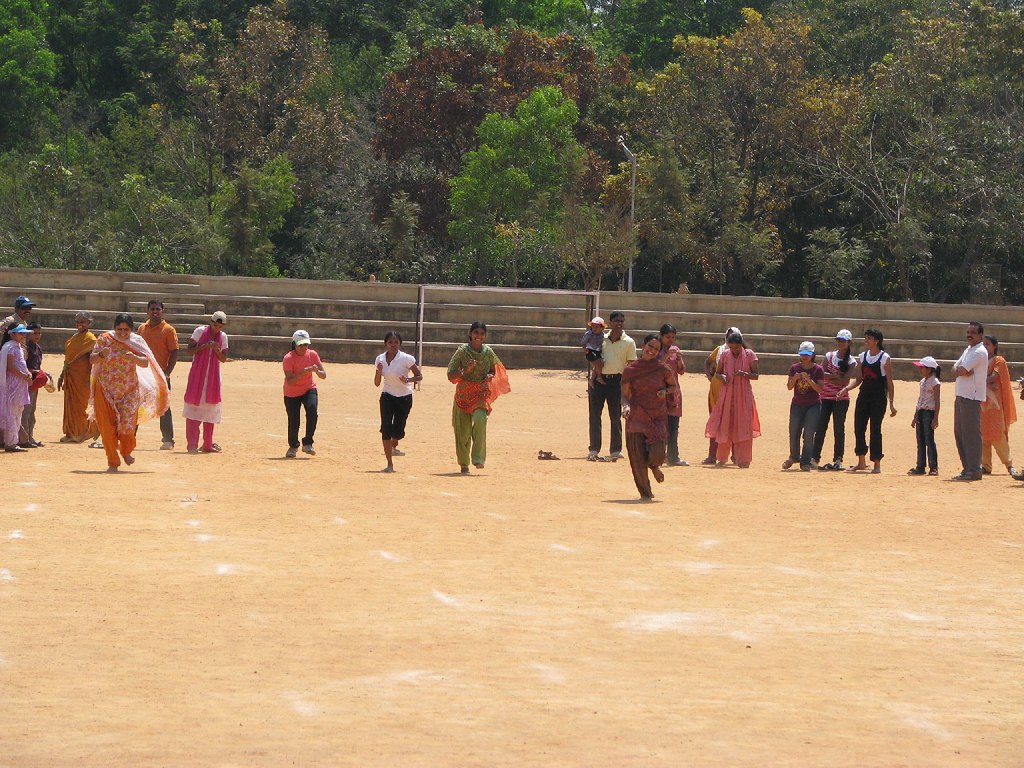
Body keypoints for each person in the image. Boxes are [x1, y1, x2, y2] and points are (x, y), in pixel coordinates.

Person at [88, 314, 169, 472]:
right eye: (119, 329)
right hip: (105, 389)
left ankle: (126, 451)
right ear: (114, 327)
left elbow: (146, 362)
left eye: (126, 330)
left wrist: (134, 358)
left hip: (129, 391)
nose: (122, 333)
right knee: (107, 428)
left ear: (131, 329)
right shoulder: (104, 339)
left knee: (127, 427)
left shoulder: (136, 341)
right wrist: (100, 355)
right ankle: (112, 461)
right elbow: (92, 360)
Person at [446, 322, 510, 473]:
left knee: (481, 419)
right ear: (470, 334)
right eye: (476, 333)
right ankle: (464, 464)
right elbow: (450, 373)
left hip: (481, 393)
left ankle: (478, 458)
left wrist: (490, 375)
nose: (478, 336)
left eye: (482, 334)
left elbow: (494, 369)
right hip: (463, 394)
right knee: (463, 432)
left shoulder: (488, 352)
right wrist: (465, 370)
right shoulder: (462, 352)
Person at [622, 334, 677, 499]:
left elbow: (673, 386)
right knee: (637, 457)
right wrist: (625, 406)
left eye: (656, 349)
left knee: (658, 450)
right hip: (637, 415)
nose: (652, 351)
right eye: (650, 347)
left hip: (657, 415)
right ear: (643, 346)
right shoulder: (630, 370)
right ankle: (645, 493)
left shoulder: (663, 369)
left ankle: (654, 466)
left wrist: (664, 392)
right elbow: (624, 395)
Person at [840, 329, 897, 474]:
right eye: (866, 338)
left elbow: (889, 382)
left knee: (875, 429)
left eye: (869, 338)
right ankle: (861, 462)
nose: (866, 341)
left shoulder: (885, 358)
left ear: (877, 341)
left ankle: (876, 463)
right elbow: (859, 379)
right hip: (864, 395)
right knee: (859, 426)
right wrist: (846, 389)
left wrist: (891, 403)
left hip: (878, 396)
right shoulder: (863, 356)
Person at [704, 330, 760, 467]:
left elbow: (756, 375)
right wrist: (721, 376)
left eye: (737, 347)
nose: (734, 350)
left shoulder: (750, 355)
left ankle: (743, 459)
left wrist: (744, 374)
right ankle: (722, 457)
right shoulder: (724, 355)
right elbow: (718, 373)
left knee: (743, 424)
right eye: (732, 347)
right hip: (727, 393)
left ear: (741, 345)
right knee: (725, 424)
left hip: (743, 394)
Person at [587, 311, 636, 461]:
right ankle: (594, 449)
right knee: (594, 415)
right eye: (616, 320)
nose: (619, 323)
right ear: (610, 322)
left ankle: (615, 450)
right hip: (599, 381)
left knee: (615, 415)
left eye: (621, 321)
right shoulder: (601, 338)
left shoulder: (629, 342)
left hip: (617, 381)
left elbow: (631, 365)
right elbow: (591, 354)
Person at [183, 310, 229, 454]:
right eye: (215, 325)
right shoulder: (200, 331)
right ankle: (192, 444)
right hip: (198, 375)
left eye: (220, 327)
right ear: (211, 322)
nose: (217, 329)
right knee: (193, 408)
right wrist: (204, 346)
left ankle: (207, 444)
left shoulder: (223, 337)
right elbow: (189, 350)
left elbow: (223, 358)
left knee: (210, 408)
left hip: (213, 378)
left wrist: (216, 350)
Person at [374, 331, 421, 472]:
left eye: (396, 342)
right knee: (386, 428)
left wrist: (408, 380)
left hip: (404, 397)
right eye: (390, 342)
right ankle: (389, 463)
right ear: (385, 344)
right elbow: (377, 383)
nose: (393, 345)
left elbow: (419, 376)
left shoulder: (406, 359)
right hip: (387, 395)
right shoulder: (380, 359)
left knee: (398, 429)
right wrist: (378, 371)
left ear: (400, 344)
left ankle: (394, 443)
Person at [813, 329, 857, 471]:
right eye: (838, 340)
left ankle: (838, 459)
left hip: (840, 399)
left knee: (838, 429)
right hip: (825, 397)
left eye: (843, 341)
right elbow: (820, 374)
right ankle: (814, 457)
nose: (840, 343)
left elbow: (844, 381)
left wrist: (831, 376)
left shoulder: (851, 361)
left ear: (849, 342)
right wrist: (836, 376)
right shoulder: (829, 355)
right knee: (820, 428)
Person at [138, 300, 179, 450]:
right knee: (135, 404)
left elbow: (174, 351)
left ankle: (168, 440)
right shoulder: (142, 328)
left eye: (157, 309)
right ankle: (129, 437)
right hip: (143, 374)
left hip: (160, 374)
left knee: (164, 407)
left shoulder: (168, 330)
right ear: (147, 310)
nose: (155, 312)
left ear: (163, 311)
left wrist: (167, 373)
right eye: (152, 309)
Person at [950, 321, 988, 481]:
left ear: (980, 335)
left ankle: (974, 469)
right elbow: (955, 369)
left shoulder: (979, 352)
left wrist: (962, 371)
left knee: (971, 434)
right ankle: (967, 468)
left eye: (973, 332)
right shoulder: (968, 350)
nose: (969, 335)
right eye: (968, 331)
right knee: (960, 433)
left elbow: (962, 369)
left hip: (971, 397)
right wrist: (961, 371)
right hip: (961, 395)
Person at [57, 312, 100, 443]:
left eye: (82, 322)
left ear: (89, 323)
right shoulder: (73, 339)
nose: (79, 324)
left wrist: (92, 380)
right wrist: (61, 375)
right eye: (77, 322)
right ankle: (71, 433)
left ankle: (85, 432)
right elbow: (67, 360)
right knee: (70, 406)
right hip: (71, 376)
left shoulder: (91, 339)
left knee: (82, 406)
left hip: (83, 379)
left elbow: (94, 361)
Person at [283, 329, 327, 459]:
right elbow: (290, 381)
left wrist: (316, 371)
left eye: (305, 344)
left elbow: (323, 375)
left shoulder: (312, 355)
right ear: (294, 344)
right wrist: (302, 372)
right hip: (291, 392)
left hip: (309, 388)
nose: (303, 347)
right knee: (294, 420)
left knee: (312, 411)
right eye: (300, 344)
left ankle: (308, 442)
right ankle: (293, 446)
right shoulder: (288, 358)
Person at [784, 341, 824, 471]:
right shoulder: (794, 368)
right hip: (797, 404)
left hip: (813, 405)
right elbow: (789, 387)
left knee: (808, 434)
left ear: (812, 355)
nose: (804, 357)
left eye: (807, 354)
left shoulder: (818, 369)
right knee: (794, 432)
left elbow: (820, 389)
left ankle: (805, 461)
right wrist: (794, 379)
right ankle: (794, 456)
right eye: (802, 354)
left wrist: (809, 380)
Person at [702, 327, 740, 465]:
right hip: (716, 392)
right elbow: (707, 362)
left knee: (734, 424)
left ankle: (735, 455)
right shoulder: (720, 350)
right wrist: (710, 376)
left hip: (734, 394)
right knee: (715, 423)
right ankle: (712, 455)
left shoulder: (743, 354)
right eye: (729, 336)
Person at [980, 334, 1016, 476]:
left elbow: (993, 377)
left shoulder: (999, 361)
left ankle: (1008, 464)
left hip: (995, 404)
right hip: (982, 402)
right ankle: (985, 465)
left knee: (997, 434)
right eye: (983, 344)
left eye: (988, 344)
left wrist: (976, 378)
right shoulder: (980, 360)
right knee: (982, 434)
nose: (985, 346)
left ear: (995, 346)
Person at [657, 323, 688, 466]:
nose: (670, 340)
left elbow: (681, 371)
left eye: (673, 337)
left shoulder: (676, 351)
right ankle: (658, 455)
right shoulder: (655, 349)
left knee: (673, 426)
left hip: (674, 393)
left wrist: (680, 359)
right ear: (661, 336)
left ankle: (673, 456)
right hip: (659, 392)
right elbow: (654, 368)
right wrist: (667, 356)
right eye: (667, 337)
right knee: (659, 426)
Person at [0, 324, 33, 452]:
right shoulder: (10, 348)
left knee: (17, 412)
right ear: (12, 334)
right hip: (13, 385)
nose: (22, 335)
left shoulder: (17, 347)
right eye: (20, 333)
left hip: (20, 385)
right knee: (11, 413)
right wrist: (25, 376)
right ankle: (10, 443)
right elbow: (11, 367)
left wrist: (27, 374)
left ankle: (13, 441)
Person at [908, 356, 941, 476]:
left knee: (929, 440)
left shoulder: (935, 382)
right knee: (920, 440)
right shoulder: (922, 382)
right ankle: (920, 466)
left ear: (930, 369)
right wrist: (915, 416)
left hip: (929, 412)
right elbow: (920, 399)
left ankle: (933, 467)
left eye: (922, 368)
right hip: (922, 411)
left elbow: (937, 401)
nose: (920, 370)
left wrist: (935, 418)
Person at [20, 322, 45, 447]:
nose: (37, 335)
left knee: (32, 411)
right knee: (26, 410)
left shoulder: (37, 348)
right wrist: (37, 372)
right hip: (27, 382)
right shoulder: (25, 348)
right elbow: (24, 367)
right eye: (34, 333)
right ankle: (24, 439)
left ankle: (29, 436)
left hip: (35, 382)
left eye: (39, 333)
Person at [581, 317, 606, 387]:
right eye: (593, 326)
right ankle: (599, 377)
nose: (594, 328)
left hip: (597, 351)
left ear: (602, 328)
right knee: (598, 363)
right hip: (590, 351)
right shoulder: (589, 334)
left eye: (597, 327)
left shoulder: (603, 335)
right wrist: (584, 348)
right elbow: (583, 342)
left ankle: (592, 379)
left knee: (598, 365)